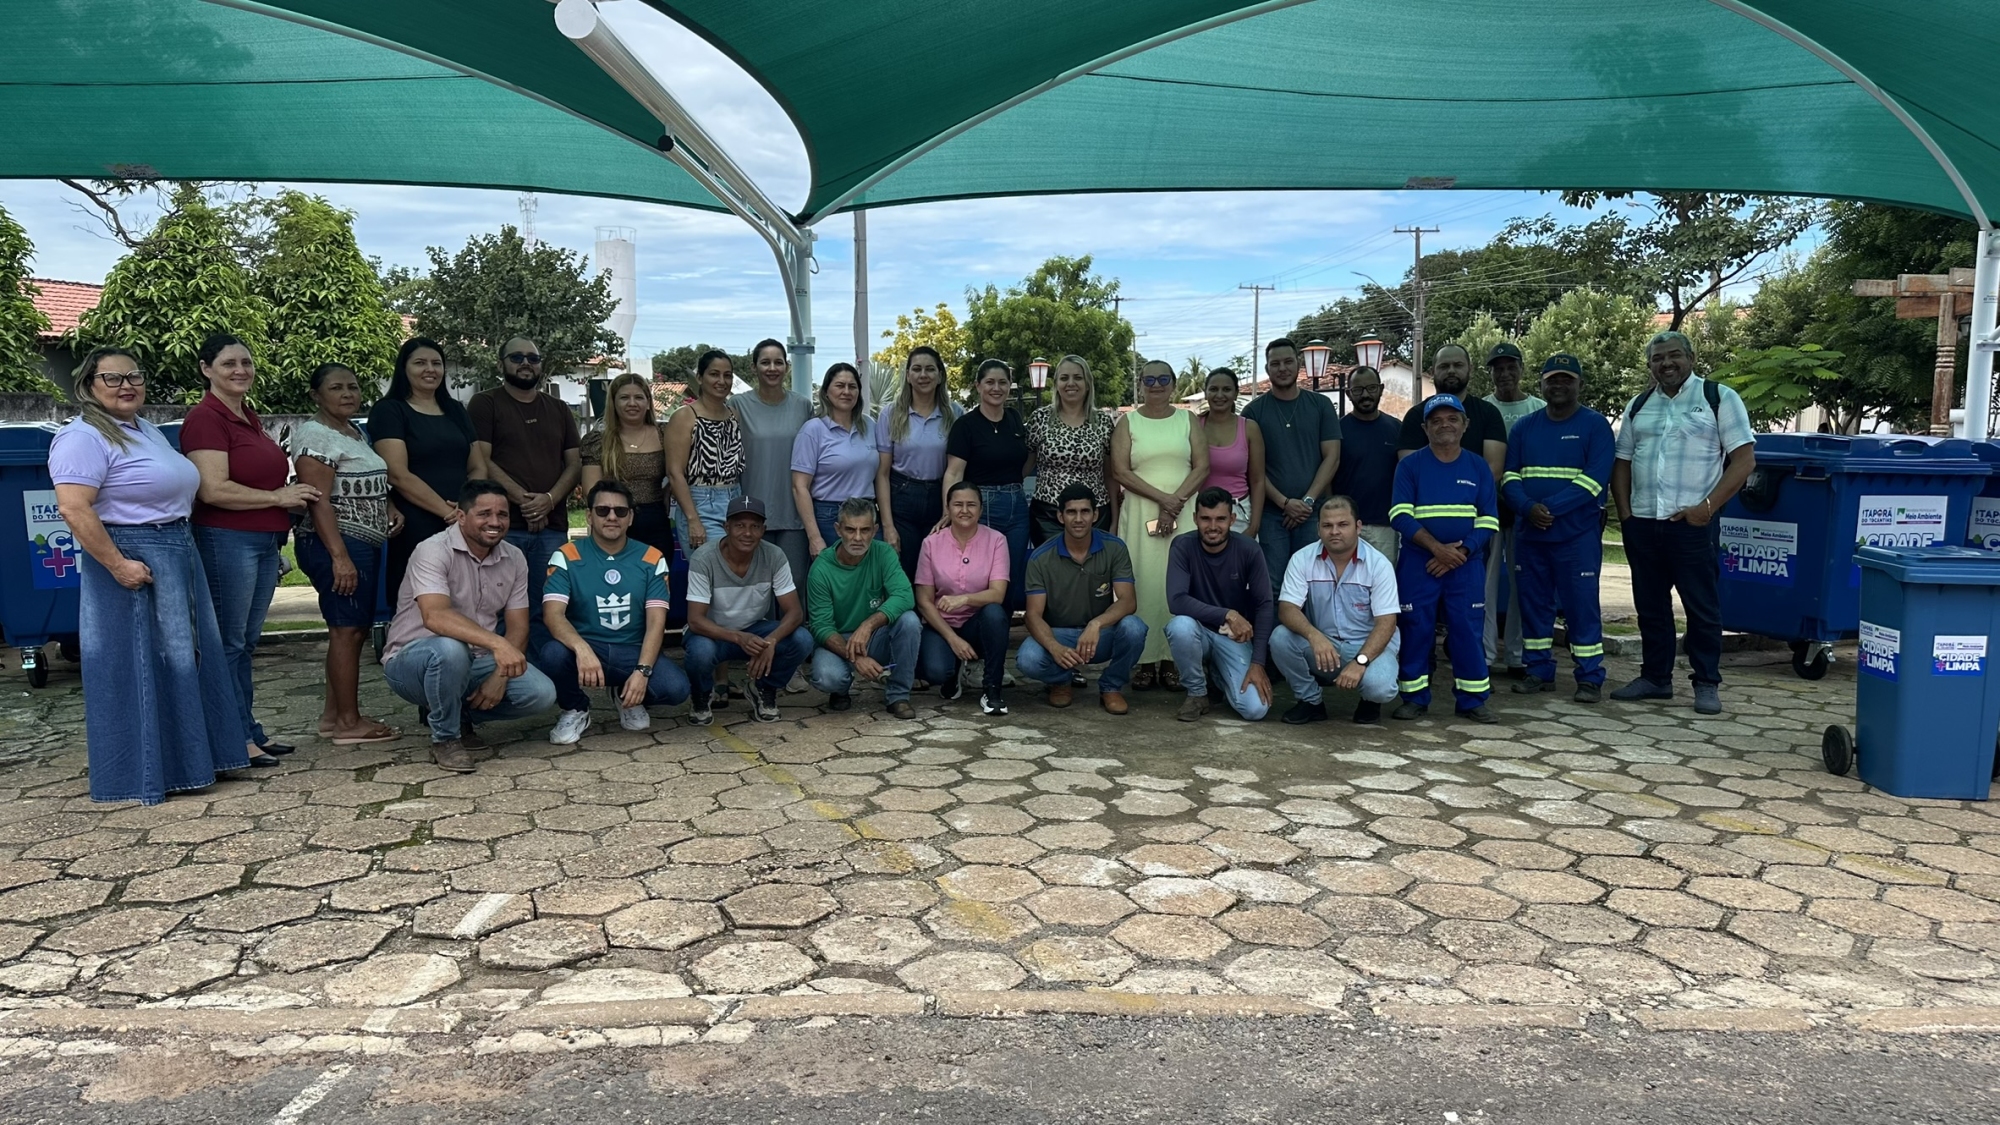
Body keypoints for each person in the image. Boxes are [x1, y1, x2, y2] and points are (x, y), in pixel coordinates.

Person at [51, 348, 267, 802]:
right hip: (134, 554)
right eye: (112, 378)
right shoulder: (82, 436)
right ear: (89, 385)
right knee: (142, 666)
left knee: (184, 661)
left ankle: (195, 763)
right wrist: (118, 565)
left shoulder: (143, 429)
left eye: (134, 376)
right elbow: (73, 508)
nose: (126, 385)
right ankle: (148, 774)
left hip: (175, 547)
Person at [182, 332, 319, 760]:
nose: (241, 370)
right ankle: (231, 739)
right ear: (206, 369)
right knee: (227, 643)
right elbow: (212, 489)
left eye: (246, 362)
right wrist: (279, 497)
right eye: (229, 363)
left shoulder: (248, 415)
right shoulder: (205, 419)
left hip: (262, 540)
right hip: (226, 538)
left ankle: (248, 731)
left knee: (245, 643)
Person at [1610, 330, 1756, 715]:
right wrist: (1626, 515)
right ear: (1650, 365)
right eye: (1658, 358)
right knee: (1650, 607)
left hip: (1692, 525)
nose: (1666, 363)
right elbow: (1622, 461)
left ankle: (1706, 682)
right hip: (1644, 523)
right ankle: (1655, 678)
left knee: (1701, 607)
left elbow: (1744, 461)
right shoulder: (1639, 404)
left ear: (1691, 358)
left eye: (1674, 355)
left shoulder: (1718, 398)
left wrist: (1707, 507)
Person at [380, 480, 558, 772]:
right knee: (451, 649)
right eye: (484, 514)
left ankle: (456, 712)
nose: (495, 522)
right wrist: (498, 643)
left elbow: (518, 627)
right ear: (461, 517)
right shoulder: (432, 550)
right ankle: (446, 738)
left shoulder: (514, 557)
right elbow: (435, 616)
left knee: (541, 694)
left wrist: (499, 677)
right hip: (413, 661)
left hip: (477, 659)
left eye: (502, 515)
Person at [292, 363, 401, 745]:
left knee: (353, 631)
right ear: (316, 395)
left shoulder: (353, 431)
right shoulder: (315, 435)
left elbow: (369, 480)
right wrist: (339, 557)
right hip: (336, 544)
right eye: (336, 388)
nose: (347, 394)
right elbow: (318, 500)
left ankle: (332, 716)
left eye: (352, 387)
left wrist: (388, 507)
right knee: (346, 630)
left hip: (363, 543)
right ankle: (348, 723)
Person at [537, 480, 691, 743]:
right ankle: (575, 708)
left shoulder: (652, 558)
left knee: (676, 689)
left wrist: (642, 672)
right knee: (552, 654)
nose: (611, 517)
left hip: (632, 650)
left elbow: (656, 623)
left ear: (630, 518)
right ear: (589, 516)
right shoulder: (566, 556)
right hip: (589, 647)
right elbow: (553, 615)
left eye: (620, 511)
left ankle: (625, 695)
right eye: (602, 510)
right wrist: (582, 649)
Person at [1503, 354, 1615, 703]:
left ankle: (1590, 676)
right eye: (1552, 379)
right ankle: (1538, 670)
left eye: (1567, 379)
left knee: (1581, 606)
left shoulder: (1595, 426)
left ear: (1580, 384)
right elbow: (1509, 477)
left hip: (1576, 537)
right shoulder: (1524, 427)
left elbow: (1595, 480)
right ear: (1541, 384)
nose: (1559, 385)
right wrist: (1527, 508)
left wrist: (1548, 508)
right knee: (1534, 605)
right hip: (1530, 535)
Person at [1390, 394, 1500, 724]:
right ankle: (1414, 698)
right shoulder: (1409, 466)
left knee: (1467, 629)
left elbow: (1489, 520)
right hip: (1418, 563)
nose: (1444, 425)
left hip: (1466, 565)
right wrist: (1437, 549)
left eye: (1452, 419)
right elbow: (1399, 515)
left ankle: (1472, 700)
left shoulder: (1478, 467)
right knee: (1415, 628)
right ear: (1425, 429)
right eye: (1436, 421)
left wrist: (1460, 552)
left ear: (1465, 425)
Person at [469, 336, 581, 647]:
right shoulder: (485, 403)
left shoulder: (559, 409)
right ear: (501, 364)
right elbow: (481, 459)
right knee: (499, 608)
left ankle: (543, 674)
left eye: (533, 358)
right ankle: (502, 672)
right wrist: (524, 501)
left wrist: (549, 501)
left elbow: (574, 464)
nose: (526, 364)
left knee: (549, 607)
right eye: (516, 357)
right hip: (503, 527)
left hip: (552, 527)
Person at [1112, 358, 1209, 690]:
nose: (1156, 385)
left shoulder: (1188, 419)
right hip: (1141, 514)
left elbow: (1202, 467)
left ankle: (1172, 660)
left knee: (1180, 583)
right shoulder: (1128, 422)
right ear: (1140, 383)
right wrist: (1163, 500)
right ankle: (1143, 660)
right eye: (1149, 379)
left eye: (1163, 379)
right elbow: (1120, 471)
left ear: (1174, 384)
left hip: (1184, 511)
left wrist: (1175, 502)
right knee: (1144, 583)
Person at [1270, 496, 1402, 725]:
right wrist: (1315, 636)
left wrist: (1361, 661)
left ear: (1358, 527)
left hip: (1368, 647)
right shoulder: (1302, 559)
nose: (1334, 532)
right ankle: (1311, 701)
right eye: (1327, 525)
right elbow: (1287, 609)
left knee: (1379, 686)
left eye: (1343, 524)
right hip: (1325, 645)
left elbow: (1387, 623)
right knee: (1280, 638)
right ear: (1318, 529)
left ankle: (1370, 701)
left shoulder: (1379, 565)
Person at [1017, 484, 1148, 713]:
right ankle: (1061, 680)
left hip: (1099, 635)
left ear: (1095, 515)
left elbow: (1128, 601)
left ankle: (1111, 686)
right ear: (1060, 516)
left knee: (1134, 628)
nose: (1078, 519)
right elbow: (1033, 615)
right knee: (1027, 658)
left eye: (1085, 511)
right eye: (1071, 512)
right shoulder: (1041, 557)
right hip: (1060, 634)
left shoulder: (1114, 548)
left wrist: (1096, 624)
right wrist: (1054, 647)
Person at [683, 496, 813, 724]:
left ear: (763, 530)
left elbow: (795, 612)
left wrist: (771, 641)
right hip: (714, 634)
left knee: (802, 640)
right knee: (700, 652)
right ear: (726, 527)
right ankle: (701, 695)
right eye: (740, 525)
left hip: (754, 630)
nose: (747, 533)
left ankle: (763, 688)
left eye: (755, 526)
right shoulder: (704, 558)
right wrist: (738, 637)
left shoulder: (774, 555)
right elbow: (695, 620)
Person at [370, 335, 479, 605]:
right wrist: (449, 513)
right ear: (404, 368)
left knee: (467, 600)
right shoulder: (389, 410)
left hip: (463, 522)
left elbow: (477, 465)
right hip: (417, 522)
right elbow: (397, 474)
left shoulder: (456, 410)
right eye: (420, 363)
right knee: (419, 604)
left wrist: (468, 507)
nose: (430, 369)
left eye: (436, 363)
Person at [1164, 487, 1274, 722]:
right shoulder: (1182, 545)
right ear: (1195, 519)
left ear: (1232, 519)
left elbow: (1264, 604)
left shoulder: (1249, 549)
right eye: (1205, 518)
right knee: (1180, 627)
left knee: (1255, 709)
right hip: (1198, 632)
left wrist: (1258, 663)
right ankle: (1197, 693)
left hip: (1233, 637)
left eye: (1220, 519)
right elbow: (1176, 600)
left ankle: (1217, 675)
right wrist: (1228, 614)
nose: (1212, 526)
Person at [1242, 338, 1342, 597]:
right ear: (1267, 369)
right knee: (1273, 585)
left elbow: (1332, 457)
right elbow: (1253, 468)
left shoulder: (1320, 405)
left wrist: (1306, 502)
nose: (1282, 368)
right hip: (1271, 514)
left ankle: (1310, 627)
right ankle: (1275, 627)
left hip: (1313, 512)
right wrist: (1285, 503)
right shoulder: (1253, 412)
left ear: (1298, 365)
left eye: (1288, 362)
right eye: (1275, 364)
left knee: (1314, 584)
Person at [806, 498, 922, 718]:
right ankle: (841, 689)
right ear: (838, 530)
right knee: (827, 677)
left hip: (874, 636)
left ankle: (898, 695)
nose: (858, 538)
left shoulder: (884, 553)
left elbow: (905, 595)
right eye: (850, 530)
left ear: (875, 530)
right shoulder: (821, 568)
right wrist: (857, 658)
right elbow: (821, 626)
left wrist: (868, 625)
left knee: (909, 620)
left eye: (865, 530)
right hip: (838, 638)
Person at [914, 481, 1013, 716]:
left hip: (976, 624)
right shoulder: (931, 543)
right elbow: (924, 601)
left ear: (981, 509)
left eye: (971, 505)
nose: (965, 510)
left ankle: (992, 690)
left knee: (995, 613)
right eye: (958, 504)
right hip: (942, 626)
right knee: (937, 671)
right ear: (948, 508)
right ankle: (954, 671)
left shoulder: (996, 540)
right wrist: (952, 639)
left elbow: (997, 594)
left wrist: (964, 599)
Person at [943, 360, 1033, 611]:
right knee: (981, 575)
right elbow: (954, 472)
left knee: (1011, 574)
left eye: (1002, 382)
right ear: (978, 386)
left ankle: (1002, 629)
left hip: (1017, 505)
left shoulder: (1015, 418)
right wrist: (948, 511)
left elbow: (1023, 462)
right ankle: (978, 629)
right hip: (981, 506)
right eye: (990, 382)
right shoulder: (965, 425)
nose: (996, 388)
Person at [732, 338, 817, 602]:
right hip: (753, 512)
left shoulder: (803, 406)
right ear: (753, 367)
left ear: (787, 367)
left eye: (778, 362)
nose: (772, 368)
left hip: (794, 512)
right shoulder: (737, 405)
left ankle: (796, 631)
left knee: (795, 581)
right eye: (765, 362)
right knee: (759, 587)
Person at [1483, 342, 1545, 676]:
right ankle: (1485, 653)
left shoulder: (1539, 409)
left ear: (1522, 369)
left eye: (1510, 367)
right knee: (1486, 584)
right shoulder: (1483, 409)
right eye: (1498, 368)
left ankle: (1517, 654)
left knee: (1522, 583)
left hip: (1525, 509)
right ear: (1490, 373)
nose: (1505, 374)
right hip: (1489, 507)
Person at [876, 346, 960, 579]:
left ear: (940, 375)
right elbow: (882, 474)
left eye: (930, 369)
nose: (923, 375)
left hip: (941, 497)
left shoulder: (955, 414)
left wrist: (950, 510)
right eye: (917, 369)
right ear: (907, 375)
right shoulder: (890, 414)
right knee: (905, 570)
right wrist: (888, 526)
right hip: (902, 497)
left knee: (938, 571)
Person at [1025, 354, 1116, 544]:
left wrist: (1115, 519)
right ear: (1056, 384)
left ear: (1088, 383)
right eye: (1064, 378)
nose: (1071, 383)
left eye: (1078, 377)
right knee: (1051, 564)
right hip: (1048, 515)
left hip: (1095, 514)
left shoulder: (1103, 422)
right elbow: (1025, 466)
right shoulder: (1040, 419)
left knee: (1093, 564)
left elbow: (1110, 475)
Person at [664, 349, 746, 557]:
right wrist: (693, 519)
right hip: (700, 502)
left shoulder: (733, 416)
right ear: (700, 377)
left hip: (734, 500)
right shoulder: (685, 417)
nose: (722, 381)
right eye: (714, 374)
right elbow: (675, 473)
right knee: (713, 567)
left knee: (735, 568)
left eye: (727, 375)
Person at [791, 362, 876, 558]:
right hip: (830, 518)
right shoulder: (813, 429)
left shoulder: (871, 426)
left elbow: (881, 475)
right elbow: (799, 487)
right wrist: (814, 538)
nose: (846, 391)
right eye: (840, 385)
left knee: (869, 575)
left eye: (852, 386)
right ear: (826, 392)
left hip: (867, 516)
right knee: (835, 575)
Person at [581, 370, 671, 551]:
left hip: (656, 523)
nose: (632, 403)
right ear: (613, 403)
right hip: (613, 521)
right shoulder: (598, 441)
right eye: (624, 398)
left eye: (638, 397)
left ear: (648, 403)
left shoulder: (665, 434)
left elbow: (679, 473)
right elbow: (590, 492)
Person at [1329, 366, 1400, 564]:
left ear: (1381, 389)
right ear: (1348, 394)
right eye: (1358, 390)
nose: (1366, 395)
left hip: (1384, 526)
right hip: (1344, 526)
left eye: (1371, 388)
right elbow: (1328, 476)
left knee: (1383, 580)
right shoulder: (1336, 431)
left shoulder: (1397, 429)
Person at [1198, 368, 1264, 537]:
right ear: (1205, 393)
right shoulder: (1194, 425)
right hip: (1201, 512)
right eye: (1213, 389)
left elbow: (1257, 480)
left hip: (1238, 513)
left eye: (1226, 389)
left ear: (1235, 394)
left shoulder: (1249, 428)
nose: (1219, 395)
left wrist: (1254, 525)